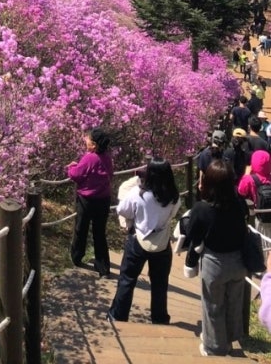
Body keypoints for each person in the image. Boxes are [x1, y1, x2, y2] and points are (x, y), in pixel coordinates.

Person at [185, 159, 248, 357]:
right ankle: (228, 341)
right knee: (233, 304)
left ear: (209, 182)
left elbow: (191, 233)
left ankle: (214, 347)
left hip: (214, 263)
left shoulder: (202, 208)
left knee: (213, 305)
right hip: (239, 262)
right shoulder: (239, 204)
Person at [108, 158, 181, 325]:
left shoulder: (138, 193)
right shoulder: (174, 196)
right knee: (160, 283)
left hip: (138, 240)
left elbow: (122, 210)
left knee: (127, 279)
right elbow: (173, 214)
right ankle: (160, 318)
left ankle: (118, 316)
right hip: (162, 242)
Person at [67, 127, 114, 278]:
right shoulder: (107, 157)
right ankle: (103, 267)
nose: (85, 140)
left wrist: (71, 167)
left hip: (86, 200)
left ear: (94, 145)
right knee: (99, 233)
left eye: (87, 138)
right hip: (104, 200)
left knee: (81, 228)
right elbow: (110, 174)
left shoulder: (90, 158)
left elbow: (76, 175)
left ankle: (76, 257)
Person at [238, 149, 271, 240]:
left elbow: (241, 191)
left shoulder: (250, 179)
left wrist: (246, 174)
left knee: (262, 240)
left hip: (259, 216)